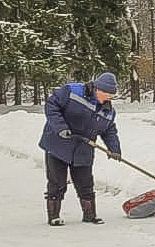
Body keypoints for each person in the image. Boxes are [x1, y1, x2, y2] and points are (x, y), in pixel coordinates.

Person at [38, 72, 122, 226]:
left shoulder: (108, 111)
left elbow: (109, 130)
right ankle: (54, 216)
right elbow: (51, 105)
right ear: (97, 89)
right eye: (107, 94)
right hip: (59, 143)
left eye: (112, 95)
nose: (109, 98)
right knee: (57, 182)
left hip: (83, 147)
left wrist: (114, 149)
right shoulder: (72, 91)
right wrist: (61, 127)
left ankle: (90, 215)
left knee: (85, 183)